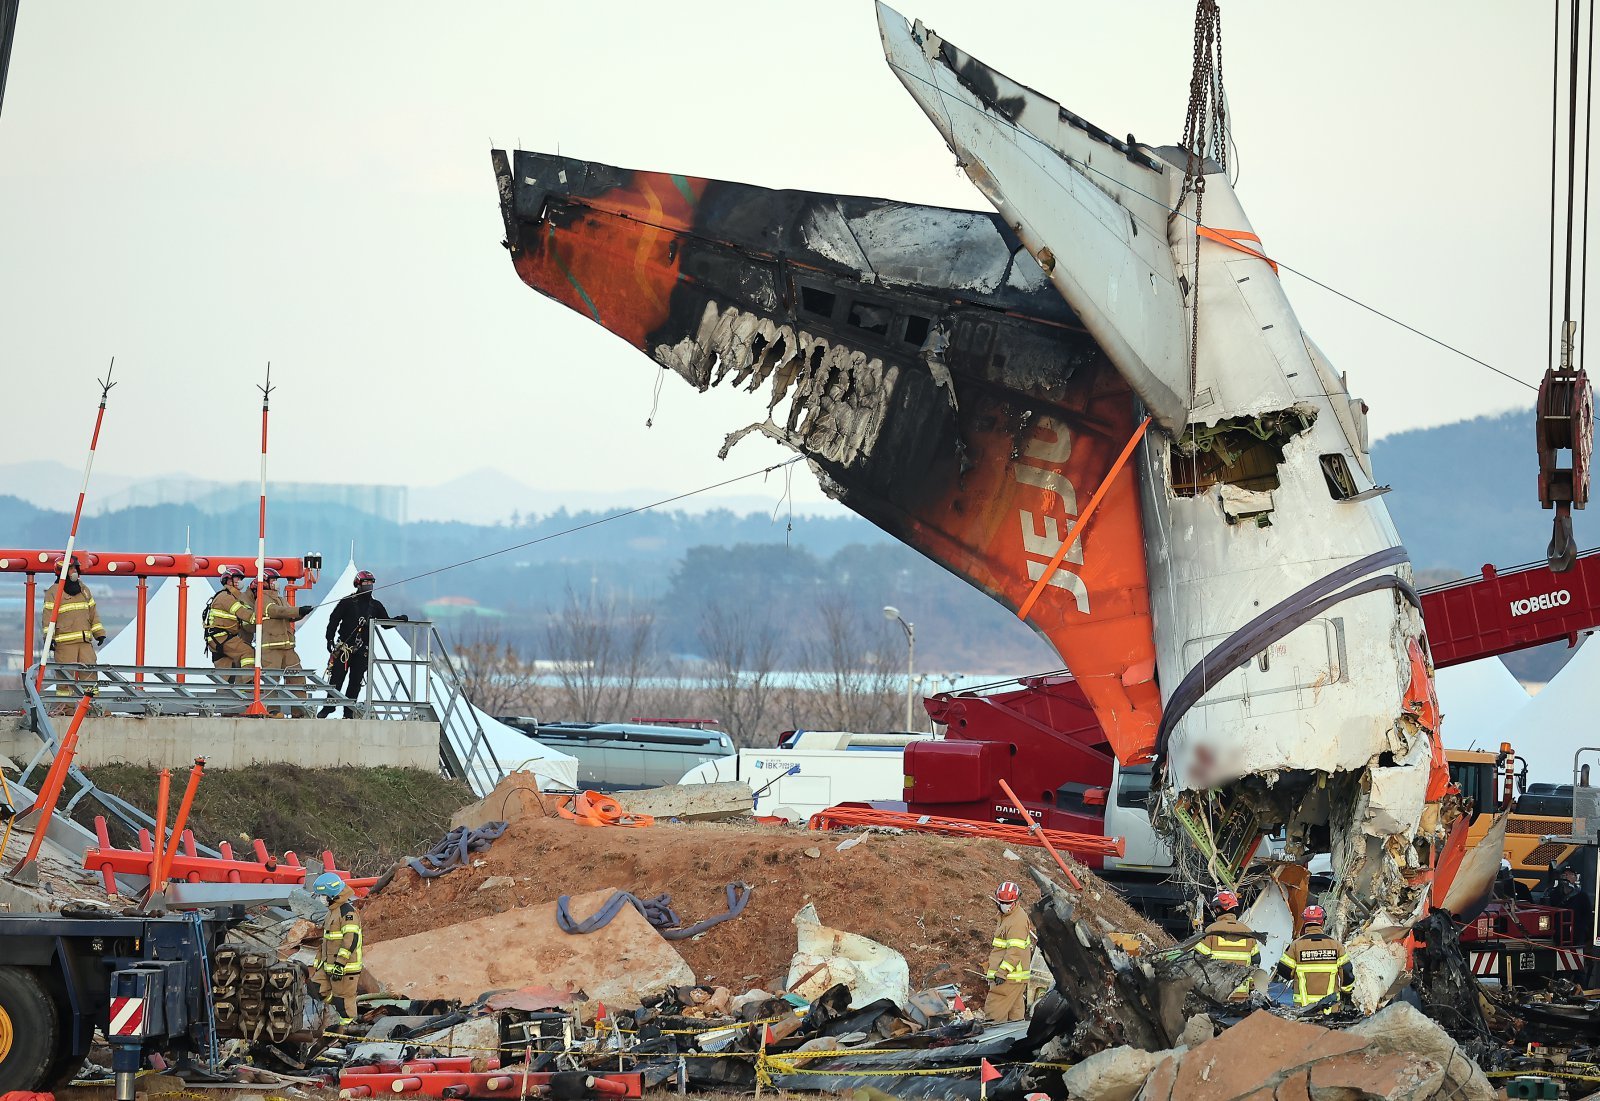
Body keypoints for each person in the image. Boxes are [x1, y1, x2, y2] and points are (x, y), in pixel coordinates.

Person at [319, 570, 406, 718]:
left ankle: (348, 712)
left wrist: (399, 620)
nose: (368, 586)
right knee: (336, 679)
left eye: (370, 583)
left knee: (355, 682)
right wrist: (329, 639)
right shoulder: (346, 602)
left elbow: (385, 623)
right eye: (365, 583)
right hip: (344, 649)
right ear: (358, 585)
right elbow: (334, 620)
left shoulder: (375, 606)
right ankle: (328, 707)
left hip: (362, 651)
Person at [40, 557, 106, 700]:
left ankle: (92, 706)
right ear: (62, 571)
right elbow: (48, 618)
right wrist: (49, 639)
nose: (74, 571)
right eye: (71, 568)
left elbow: (93, 612)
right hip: (65, 644)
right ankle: (65, 707)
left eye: (76, 568)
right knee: (65, 677)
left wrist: (99, 633)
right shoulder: (53, 592)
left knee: (90, 675)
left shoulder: (83, 589)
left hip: (85, 643)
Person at [252, 569, 314, 717]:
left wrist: (301, 613)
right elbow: (277, 611)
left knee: (297, 678)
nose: (275, 583)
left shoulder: (279, 598)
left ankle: (300, 711)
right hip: (271, 648)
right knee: (271, 681)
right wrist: (298, 610)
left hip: (287, 647)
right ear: (265, 582)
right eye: (273, 580)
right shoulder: (261, 599)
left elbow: (288, 615)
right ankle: (273, 711)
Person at [1275, 904, 1354, 1012]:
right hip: (1330, 1009)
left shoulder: (1296, 945)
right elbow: (1347, 973)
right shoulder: (1336, 946)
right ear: (1322, 922)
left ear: (1305, 922)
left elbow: (1284, 970)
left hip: (1303, 1009)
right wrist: (1346, 991)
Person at [310, 872, 363, 1025]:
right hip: (329, 966)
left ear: (331, 895)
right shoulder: (332, 912)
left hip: (345, 968)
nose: (321, 898)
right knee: (316, 988)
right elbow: (327, 941)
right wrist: (319, 961)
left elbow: (350, 940)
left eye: (322, 895)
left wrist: (340, 964)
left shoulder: (347, 913)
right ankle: (338, 1011)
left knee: (344, 1002)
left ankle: (348, 1032)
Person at [1193, 889, 1261, 1002]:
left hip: (1215, 996)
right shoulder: (1248, 933)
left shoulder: (1211, 931)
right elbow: (1256, 962)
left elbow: (1197, 960)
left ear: (1218, 909)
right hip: (1241, 997)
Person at [982, 880, 1034, 1021]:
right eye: (1002, 902)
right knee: (1015, 1015)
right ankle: (1017, 1042)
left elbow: (1014, 951)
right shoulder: (1008, 917)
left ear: (1016, 901)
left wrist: (1002, 972)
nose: (1005, 906)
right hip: (1015, 977)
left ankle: (993, 1042)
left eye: (1008, 902)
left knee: (994, 1013)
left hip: (1008, 978)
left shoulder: (1017, 921)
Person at [204, 566, 257, 672]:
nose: (239, 581)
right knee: (248, 652)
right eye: (236, 578)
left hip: (220, 638)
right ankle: (249, 684)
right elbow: (243, 613)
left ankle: (235, 688)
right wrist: (261, 619)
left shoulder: (232, 596)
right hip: (221, 637)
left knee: (227, 674)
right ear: (228, 581)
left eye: (240, 579)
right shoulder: (226, 597)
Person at [1542, 864, 1594, 942]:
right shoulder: (1553, 894)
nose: (1567, 877)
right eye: (1564, 874)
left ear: (1576, 877)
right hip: (1557, 935)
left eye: (1570, 874)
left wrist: (1580, 929)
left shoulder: (1582, 896)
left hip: (1575, 936)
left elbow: (1587, 916)